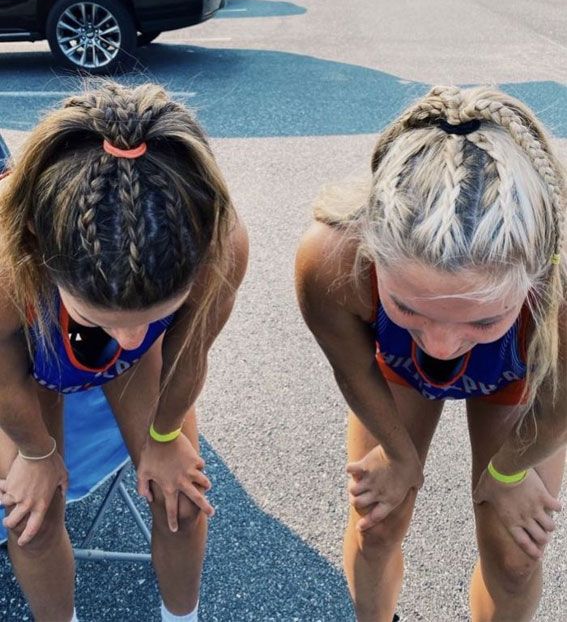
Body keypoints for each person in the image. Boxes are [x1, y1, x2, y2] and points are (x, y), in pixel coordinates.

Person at [295, 85, 567, 622]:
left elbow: (562, 404)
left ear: (540, 273)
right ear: (370, 248)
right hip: (399, 373)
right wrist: (398, 456)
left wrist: (509, 473)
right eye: (408, 306)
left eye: (483, 317)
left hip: (516, 374)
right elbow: (352, 370)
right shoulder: (329, 258)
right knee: (376, 526)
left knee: (515, 558)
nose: (442, 345)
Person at [0, 81, 248, 622]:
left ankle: (181, 618)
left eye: (154, 317)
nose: (131, 340)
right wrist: (37, 453)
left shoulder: (221, 243)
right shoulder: (5, 256)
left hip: (123, 366)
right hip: (25, 357)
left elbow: (189, 350)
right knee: (32, 520)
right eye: (103, 320)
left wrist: (164, 436)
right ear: (40, 250)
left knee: (179, 498)